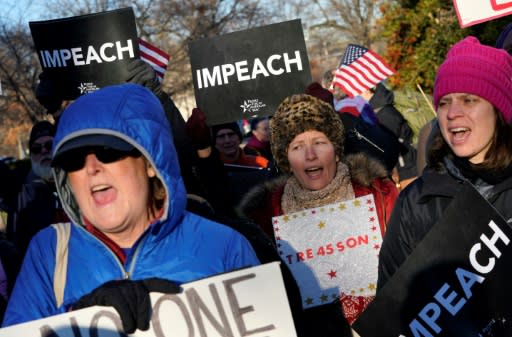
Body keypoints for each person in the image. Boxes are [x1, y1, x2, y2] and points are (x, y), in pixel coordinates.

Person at [2, 83, 260, 332]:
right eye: (73, 159)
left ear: (150, 162)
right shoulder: (49, 252)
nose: (91, 168)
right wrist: (76, 321)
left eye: (108, 151)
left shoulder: (224, 245)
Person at [236, 93, 399, 331]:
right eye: (297, 146)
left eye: (319, 142)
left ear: (335, 148)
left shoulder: (379, 195)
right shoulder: (263, 217)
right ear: (286, 158)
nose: (310, 154)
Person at [377, 36, 512, 290]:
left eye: (469, 100)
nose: (452, 113)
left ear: (499, 109)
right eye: (444, 102)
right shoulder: (416, 203)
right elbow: (393, 306)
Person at [9, 121, 68, 257]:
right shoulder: (21, 192)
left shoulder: (77, 182)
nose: (43, 151)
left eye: (49, 145)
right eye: (36, 148)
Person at [361, 83, 418, 190]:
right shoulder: (380, 109)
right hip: (407, 167)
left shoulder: (384, 113)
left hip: (408, 169)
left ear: (367, 90)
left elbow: (390, 145)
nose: (356, 96)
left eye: (359, 91)